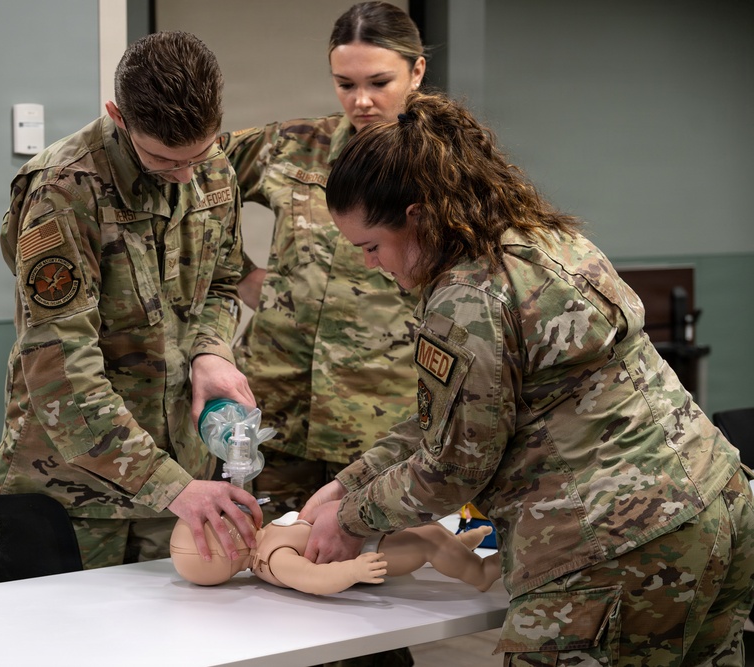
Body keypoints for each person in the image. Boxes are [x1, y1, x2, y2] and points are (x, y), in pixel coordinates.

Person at [301, 90, 754, 666]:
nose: (371, 264)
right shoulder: (541, 240)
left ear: (417, 215)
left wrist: (350, 519)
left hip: (617, 544)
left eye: (372, 246)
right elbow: (464, 414)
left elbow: (454, 466)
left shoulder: (466, 298)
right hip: (716, 502)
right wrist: (354, 480)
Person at [0, 31, 263, 570]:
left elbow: (222, 282)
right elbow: (61, 371)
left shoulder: (215, 170)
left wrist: (211, 351)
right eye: (163, 160)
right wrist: (171, 487)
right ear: (118, 116)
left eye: (199, 153)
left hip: (180, 480)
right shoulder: (64, 190)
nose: (186, 175)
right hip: (74, 497)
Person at [220, 1, 426, 521]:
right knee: (260, 557)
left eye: (379, 83)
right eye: (345, 84)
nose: (361, 101)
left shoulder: (444, 167)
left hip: (379, 416)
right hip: (278, 402)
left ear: (417, 71)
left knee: (372, 575)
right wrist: (239, 273)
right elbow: (196, 176)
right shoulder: (292, 147)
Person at [170, 512, 500, 595]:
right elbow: (313, 579)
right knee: (428, 540)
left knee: (429, 529)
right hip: (372, 552)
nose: (230, 515)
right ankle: (480, 574)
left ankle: (457, 552)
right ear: (228, 545)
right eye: (223, 522)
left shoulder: (266, 536)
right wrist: (353, 572)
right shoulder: (273, 559)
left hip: (363, 535)